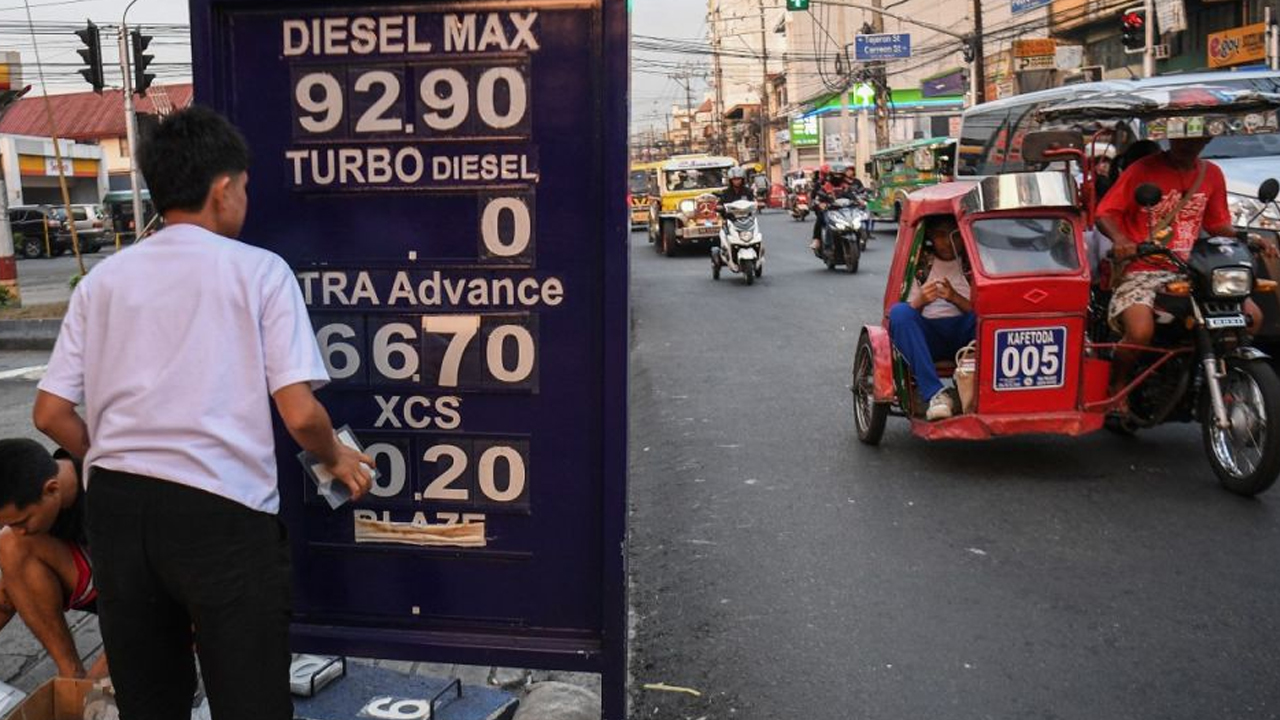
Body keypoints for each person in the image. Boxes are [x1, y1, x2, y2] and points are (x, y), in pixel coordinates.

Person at [32, 106, 373, 719]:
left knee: (151, 700)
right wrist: (336, 457)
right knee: (250, 701)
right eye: (244, 187)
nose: (245, 198)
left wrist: (114, 454)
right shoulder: (259, 272)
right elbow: (300, 414)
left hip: (115, 511)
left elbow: (50, 413)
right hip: (220, 515)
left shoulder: (102, 282)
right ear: (223, 189)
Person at [1096, 136, 1260, 400]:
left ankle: (1222, 379)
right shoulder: (1142, 169)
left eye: (1196, 140)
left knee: (1251, 316)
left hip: (1191, 268)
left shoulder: (1211, 173)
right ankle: (1118, 387)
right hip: (1143, 267)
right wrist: (1123, 241)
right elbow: (1105, 213)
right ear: (1171, 137)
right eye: (1183, 139)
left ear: (1205, 141)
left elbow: (1217, 223)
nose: (1188, 145)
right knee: (1140, 332)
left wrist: (1249, 239)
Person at [0, 439, 107, 680]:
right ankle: (71, 673)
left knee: (91, 704)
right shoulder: (45, 481)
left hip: (159, 603)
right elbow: (7, 597)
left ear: (52, 489)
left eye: (21, 522)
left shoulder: (109, 501)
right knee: (11, 546)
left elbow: (144, 611)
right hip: (105, 585)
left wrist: (87, 693)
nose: (20, 531)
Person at [888, 217, 974, 421]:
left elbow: (984, 314)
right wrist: (921, 301)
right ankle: (936, 394)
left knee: (989, 315)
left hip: (965, 337)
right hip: (928, 337)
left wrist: (955, 298)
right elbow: (906, 313)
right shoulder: (918, 264)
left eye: (953, 235)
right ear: (930, 237)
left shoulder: (974, 264)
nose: (946, 242)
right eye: (939, 235)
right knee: (899, 313)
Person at [811, 167, 852, 253]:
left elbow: (853, 196)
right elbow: (818, 198)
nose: (837, 177)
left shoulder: (846, 186)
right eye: (835, 175)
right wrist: (820, 203)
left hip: (845, 211)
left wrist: (859, 201)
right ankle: (820, 241)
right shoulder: (826, 187)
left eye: (839, 175)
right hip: (830, 211)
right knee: (822, 219)